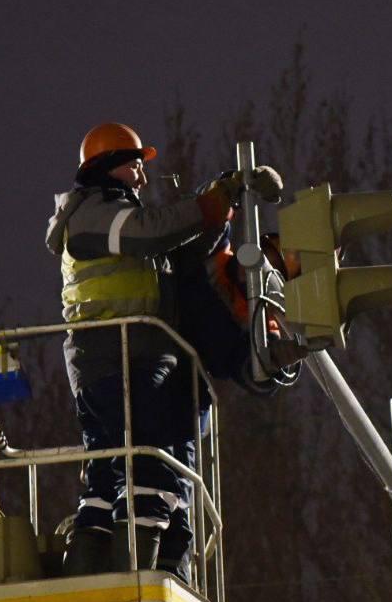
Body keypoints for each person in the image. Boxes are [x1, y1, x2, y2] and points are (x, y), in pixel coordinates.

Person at [45, 122, 284, 576]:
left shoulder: (117, 224)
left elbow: (181, 255)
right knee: (152, 462)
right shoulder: (94, 216)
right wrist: (215, 199)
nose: (142, 176)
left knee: (118, 472)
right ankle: (141, 572)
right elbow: (153, 231)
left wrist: (225, 202)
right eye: (136, 165)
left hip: (131, 357)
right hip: (118, 356)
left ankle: (131, 564)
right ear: (110, 166)